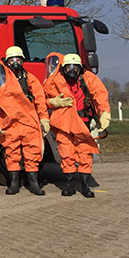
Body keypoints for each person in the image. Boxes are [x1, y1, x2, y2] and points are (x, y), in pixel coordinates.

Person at [0, 46, 50, 196]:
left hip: (29, 122)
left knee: (32, 153)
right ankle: (13, 184)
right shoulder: (0, 80)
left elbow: (40, 99)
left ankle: (34, 184)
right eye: (12, 60)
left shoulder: (29, 78)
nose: (15, 62)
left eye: (18, 59)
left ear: (23, 61)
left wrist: (44, 119)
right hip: (10, 122)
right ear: (7, 62)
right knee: (11, 153)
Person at [44, 52, 111, 198]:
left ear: (80, 68)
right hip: (64, 122)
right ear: (63, 69)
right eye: (69, 68)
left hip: (83, 121)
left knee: (85, 153)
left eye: (75, 67)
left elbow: (100, 94)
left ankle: (85, 185)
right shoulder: (55, 81)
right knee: (66, 153)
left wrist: (104, 112)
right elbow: (41, 98)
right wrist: (53, 102)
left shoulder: (88, 78)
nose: (72, 71)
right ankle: (69, 185)